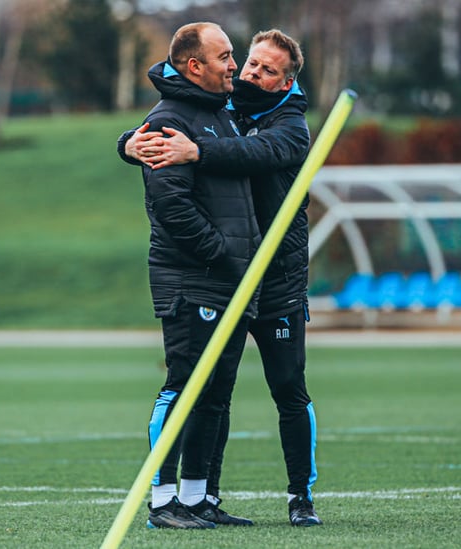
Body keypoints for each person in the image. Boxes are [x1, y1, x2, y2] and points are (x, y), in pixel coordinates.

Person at [119, 29, 322, 527]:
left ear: (285, 81)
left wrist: (197, 154)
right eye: (247, 62)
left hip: (275, 281)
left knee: (287, 388)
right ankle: (192, 495)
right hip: (223, 272)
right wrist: (128, 143)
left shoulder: (291, 125)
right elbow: (164, 128)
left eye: (265, 69)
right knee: (202, 386)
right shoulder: (222, 110)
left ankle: (301, 497)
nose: (249, 72)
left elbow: (256, 155)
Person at [128, 22, 262, 530]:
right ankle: (162, 503)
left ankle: (197, 497)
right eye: (225, 56)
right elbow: (172, 208)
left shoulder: (221, 112)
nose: (236, 64)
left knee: (217, 392)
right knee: (184, 386)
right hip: (193, 280)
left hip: (231, 280)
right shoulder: (167, 121)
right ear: (194, 66)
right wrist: (225, 256)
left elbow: (283, 98)